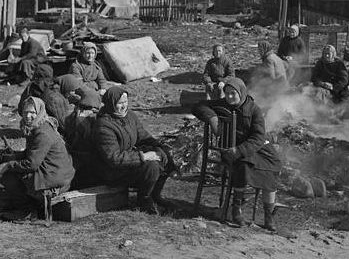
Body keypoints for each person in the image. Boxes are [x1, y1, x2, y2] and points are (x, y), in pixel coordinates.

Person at [192, 77, 281, 231]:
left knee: (273, 164)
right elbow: (198, 106)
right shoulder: (223, 103)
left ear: (242, 92)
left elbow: (258, 137)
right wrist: (213, 118)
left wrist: (240, 150)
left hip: (252, 147)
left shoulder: (254, 109)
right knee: (243, 164)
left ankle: (268, 215)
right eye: (227, 94)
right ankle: (236, 209)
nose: (229, 97)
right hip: (230, 150)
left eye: (233, 93)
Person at [92, 87, 174, 214]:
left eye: (125, 102)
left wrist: (160, 147)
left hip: (129, 160)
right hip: (113, 171)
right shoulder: (103, 126)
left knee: (166, 156)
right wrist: (143, 157)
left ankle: (155, 195)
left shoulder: (130, 116)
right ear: (111, 103)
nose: (124, 106)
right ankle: (144, 200)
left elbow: (143, 136)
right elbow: (113, 158)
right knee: (151, 167)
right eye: (120, 103)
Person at [0, 97, 74, 219]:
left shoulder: (42, 133)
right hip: (56, 174)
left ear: (39, 112)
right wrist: (14, 156)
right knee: (11, 167)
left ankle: (27, 211)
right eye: (25, 112)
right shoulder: (40, 125)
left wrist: (7, 165)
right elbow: (34, 153)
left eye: (32, 112)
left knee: (8, 176)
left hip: (55, 181)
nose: (28, 116)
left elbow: (31, 164)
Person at [19, 64, 72, 135]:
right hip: (46, 128)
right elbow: (62, 120)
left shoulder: (30, 86)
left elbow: (20, 110)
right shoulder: (53, 93)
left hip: (28, 126)